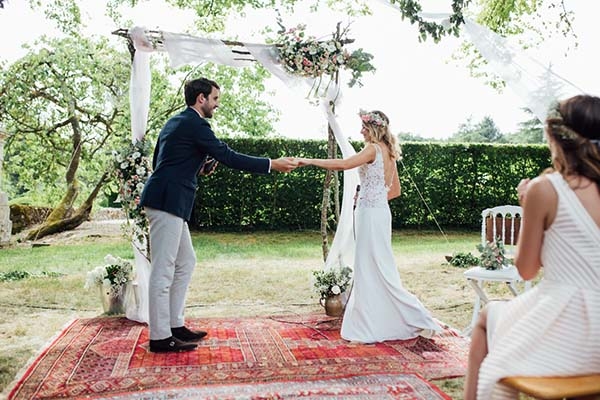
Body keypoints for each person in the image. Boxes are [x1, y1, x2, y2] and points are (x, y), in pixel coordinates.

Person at [139, 77, 297, 353]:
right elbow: (228, 155)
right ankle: (160, 337)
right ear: (201, 98)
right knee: (163, 269)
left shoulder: (176, 122)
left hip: (168, 198)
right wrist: (272, 164)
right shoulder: (196, 123)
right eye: (214, 99)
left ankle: (175, 325)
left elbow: (164, 160)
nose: (216, 105)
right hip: (167, 201)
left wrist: (198, 167)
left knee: (186, 262)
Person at [464, 94, 600, 399]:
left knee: (487, 320)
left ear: (556, 137)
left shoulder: (546, 188)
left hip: (570, 334)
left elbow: (526, 270)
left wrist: (529, 205)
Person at [297, 110, 441, 343]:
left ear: (374, 128)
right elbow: (395, 192)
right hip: (381, 213)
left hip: (369, 215)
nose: (360, 131)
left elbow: (344, 164)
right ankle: (394, 317)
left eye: (363, 127)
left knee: (368, 266)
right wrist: (371, 196)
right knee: (380, 266)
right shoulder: (390, 152)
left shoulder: (372, 149)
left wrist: (310, 161)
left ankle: (381, 321)